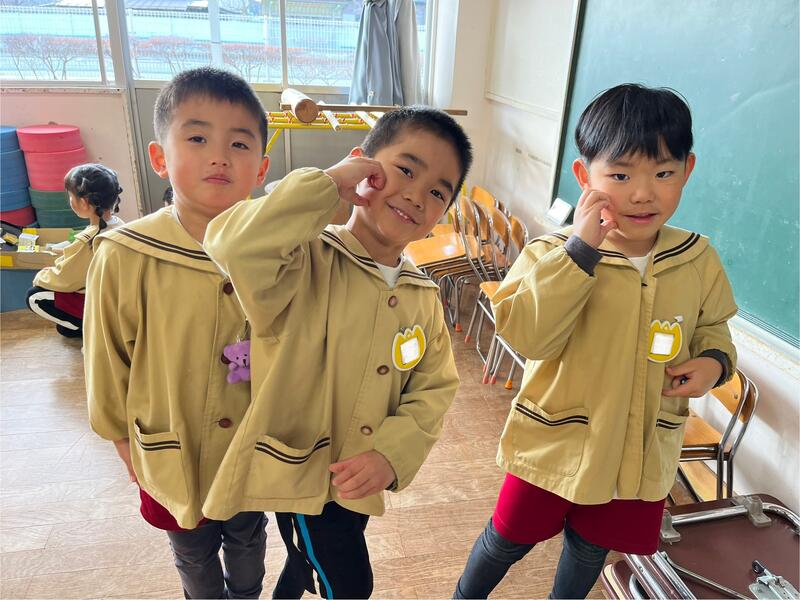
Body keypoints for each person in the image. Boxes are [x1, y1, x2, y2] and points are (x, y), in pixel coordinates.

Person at [453, 84, 738, 599]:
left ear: (687, 171)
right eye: (621, 175)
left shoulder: (697, 258)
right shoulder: (551, 252)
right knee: (506, 539)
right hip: (556, 440)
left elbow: (713, 326)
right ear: (585, 177)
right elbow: (528, 336)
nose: (643, 194)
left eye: (663, 173)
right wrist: (580, 253)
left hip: (637, 448)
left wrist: (715, 362)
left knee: (590, 549)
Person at [202, 106, 473, 599]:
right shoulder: (303, 260)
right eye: (405, 169)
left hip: (360, 481)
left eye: (438, 192)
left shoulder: (421, 295)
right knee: (350, 584)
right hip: (303, 476)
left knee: (307, 562)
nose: (417, 195)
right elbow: (233, 244)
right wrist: (328, 184)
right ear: (361, 164)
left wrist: (392, 452)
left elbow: (435, 387)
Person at [84, 67, 270, 599]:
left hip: (249, 448)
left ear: (260, 168)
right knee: (191, 551)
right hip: (171, 451)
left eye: (239, 144)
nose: (220, 156)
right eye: (197, 138)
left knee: (248, 536)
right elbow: (106, 364)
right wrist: (124, 445)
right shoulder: (125, 255)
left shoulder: (279, 253)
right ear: (159, 157)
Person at [26, 163, 123, 337]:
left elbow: (66, 278)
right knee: (64, 328)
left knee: (34, 296)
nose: (70, 200)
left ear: (84, 202)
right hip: (117, 300)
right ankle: (84, 325)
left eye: (70, 196)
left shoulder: (90, 240)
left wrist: (41, 275)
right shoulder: (120, 225)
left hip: (102, 305)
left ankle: (94, 331)